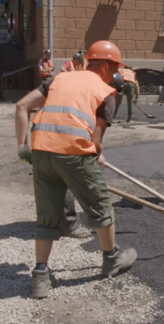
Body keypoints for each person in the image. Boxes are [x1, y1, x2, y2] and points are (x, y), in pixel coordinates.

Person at [15, 40, 136, 299]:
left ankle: (40, 277)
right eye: (115, 66)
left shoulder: (60, 78)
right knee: (101, 206)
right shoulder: (106, 92)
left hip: (42, 152)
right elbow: (95, 142)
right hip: (73, 155)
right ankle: (111, 259)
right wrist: (96, 155)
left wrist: (21, 146)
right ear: (106, 65)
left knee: (47, 215)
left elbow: (22, 105)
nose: (115, 72)